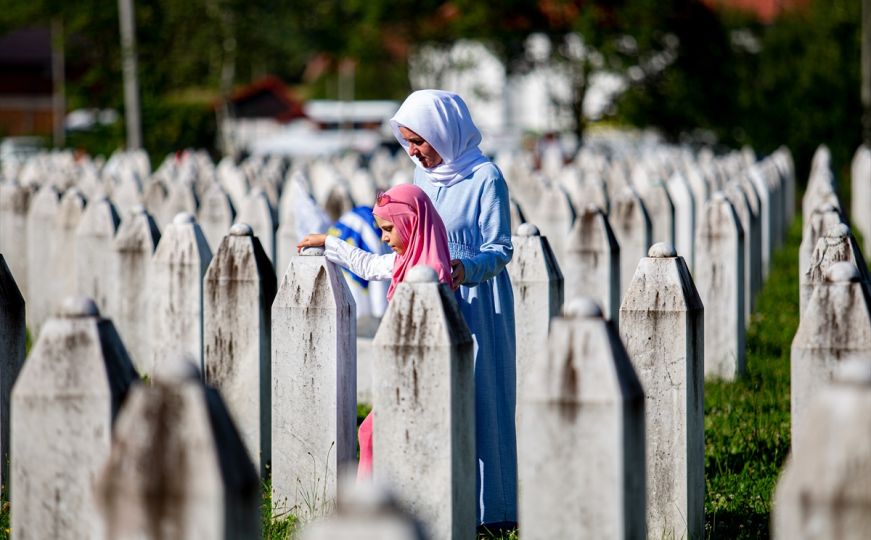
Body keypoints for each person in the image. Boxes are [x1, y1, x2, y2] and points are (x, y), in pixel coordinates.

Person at [389, 89, 517, 531]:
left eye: (419, 141)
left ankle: (493, 511)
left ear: (442, 132)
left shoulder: (486, 177)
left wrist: (466, 268)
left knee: (484, 396)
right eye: (408, 141)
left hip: (479, 300)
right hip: (432, 296)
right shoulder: (420, 175)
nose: (414, 151)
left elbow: (501, 249)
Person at [297, 183, 453, 479]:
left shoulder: (432, 274)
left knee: (374, 434)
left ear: (411, 223)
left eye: (388, 229)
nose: (382, 237)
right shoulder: (404, 262)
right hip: (401, 369)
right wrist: (328, 242)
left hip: (421, 373)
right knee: (371, 433)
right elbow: (367, 266)